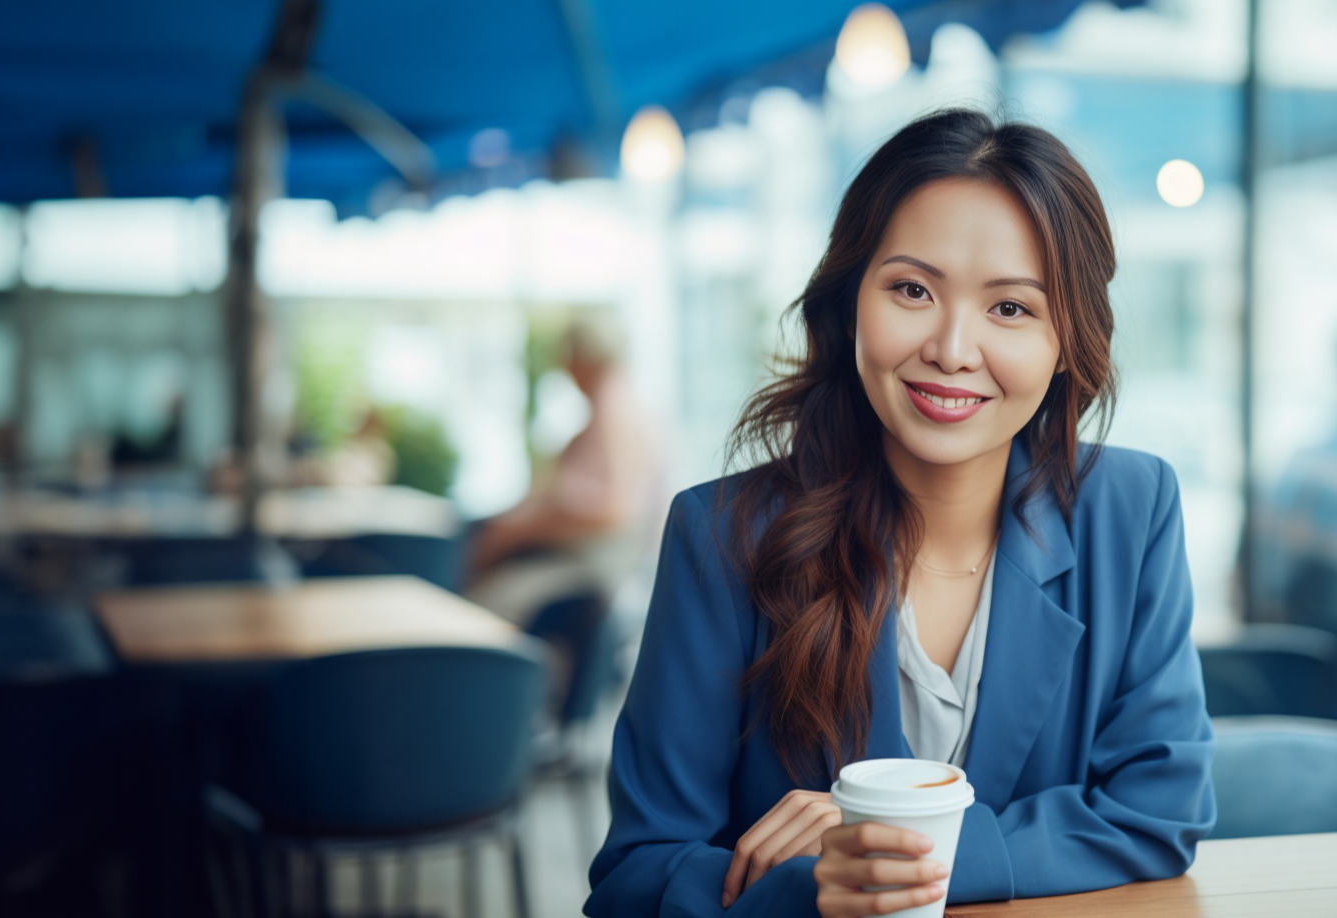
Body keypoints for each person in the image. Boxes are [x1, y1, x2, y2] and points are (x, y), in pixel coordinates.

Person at [585, 108, 1215, 918]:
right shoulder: (722, 536)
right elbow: (635, 878)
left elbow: (1162, 809)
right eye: (912, 289)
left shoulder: (1132, 511)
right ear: (851, 302)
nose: (953, 348)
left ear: (1068, 342)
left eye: (1011, 308)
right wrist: (810, 889)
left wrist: (893, 846)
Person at [464, 313, 663, 628]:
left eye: (568, 359)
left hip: (591, 567)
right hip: (594, 562)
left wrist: (521, 529)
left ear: (584, 358)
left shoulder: (613, 406)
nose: (564, 370)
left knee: (486, 603)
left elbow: (615, 507)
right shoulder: (623, 404)